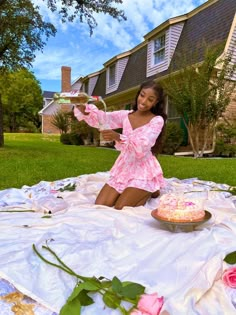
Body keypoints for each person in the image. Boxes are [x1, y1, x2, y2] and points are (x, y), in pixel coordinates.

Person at [74, 80, 167, 210]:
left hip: (143, 169)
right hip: (124, 166)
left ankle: (151, 188)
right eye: (142, 95)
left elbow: (143, 145)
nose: (144, 101)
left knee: (121, 208)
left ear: (156, 102)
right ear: (138, 94)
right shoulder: (125, 115)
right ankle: (135, 189)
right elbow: (103, 118)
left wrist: (117, 136)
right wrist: (83, 108)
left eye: (150, 99)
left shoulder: (157, 120)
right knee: (100, 205)